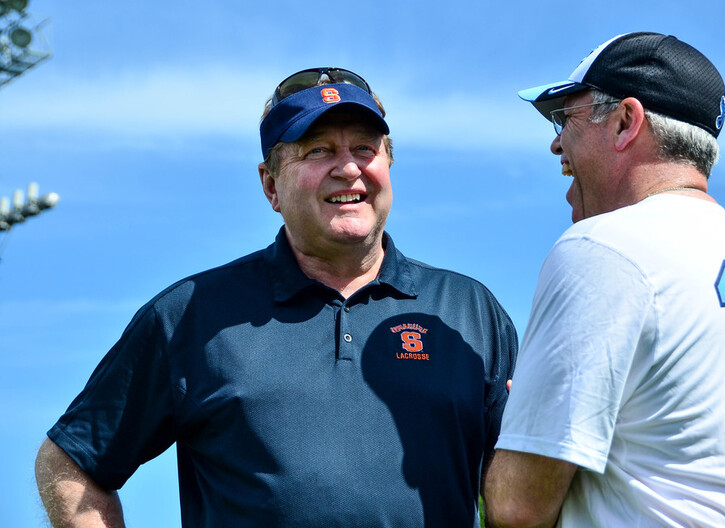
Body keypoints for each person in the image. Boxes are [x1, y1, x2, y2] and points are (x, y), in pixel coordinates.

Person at [35, 67, 518, 528]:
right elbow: (71, 461)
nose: (348, 168)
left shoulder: (469, 313)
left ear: (388, 165)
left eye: (365, 148)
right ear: (270, 185)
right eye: (318, 151)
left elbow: (522, 495)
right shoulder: (192, 314)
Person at [484, 33, 725, 528]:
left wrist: (521, 419)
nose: (556, 143)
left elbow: (516, 509)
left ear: (624, 122)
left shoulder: (605, 247)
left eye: (565, 117)